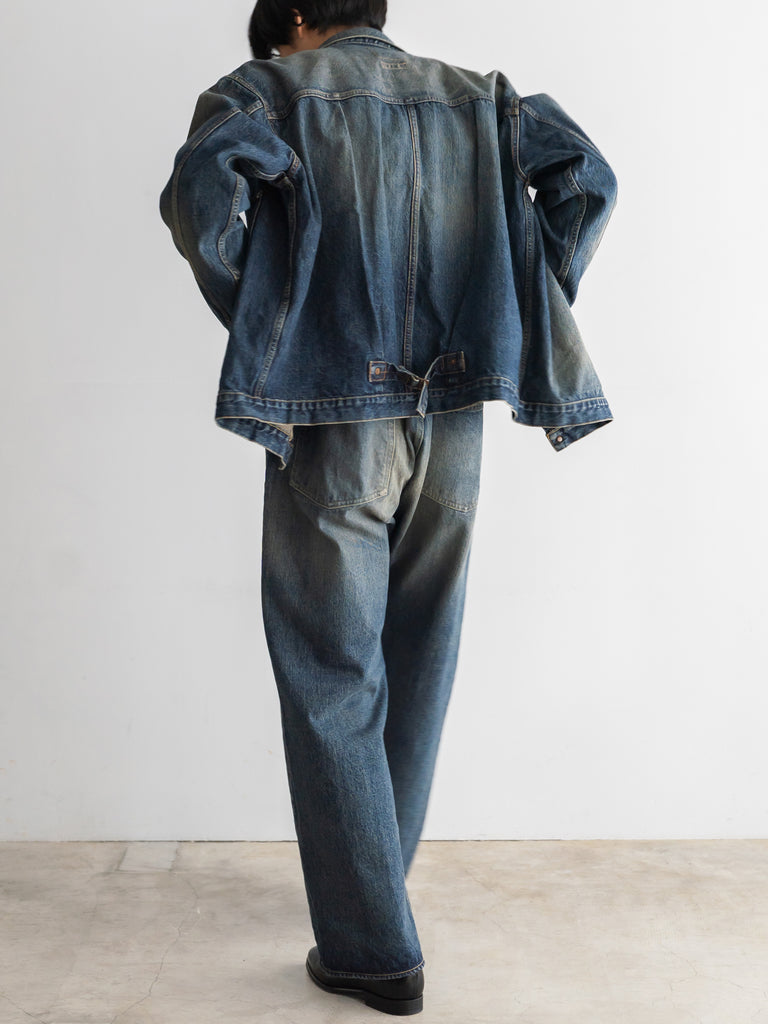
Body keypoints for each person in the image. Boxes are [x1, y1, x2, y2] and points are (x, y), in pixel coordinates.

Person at [159, 1, 617, 1014]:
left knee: (332, 673)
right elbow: (588, 180)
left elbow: (201, 196)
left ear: (300, 17)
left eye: (279, 36)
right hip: (455, 420)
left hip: (333, 415)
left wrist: (269, 315)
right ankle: (377, 890)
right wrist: (517, 300)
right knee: (420, 654)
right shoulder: (480, 98)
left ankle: (372, 950)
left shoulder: (269, 93)